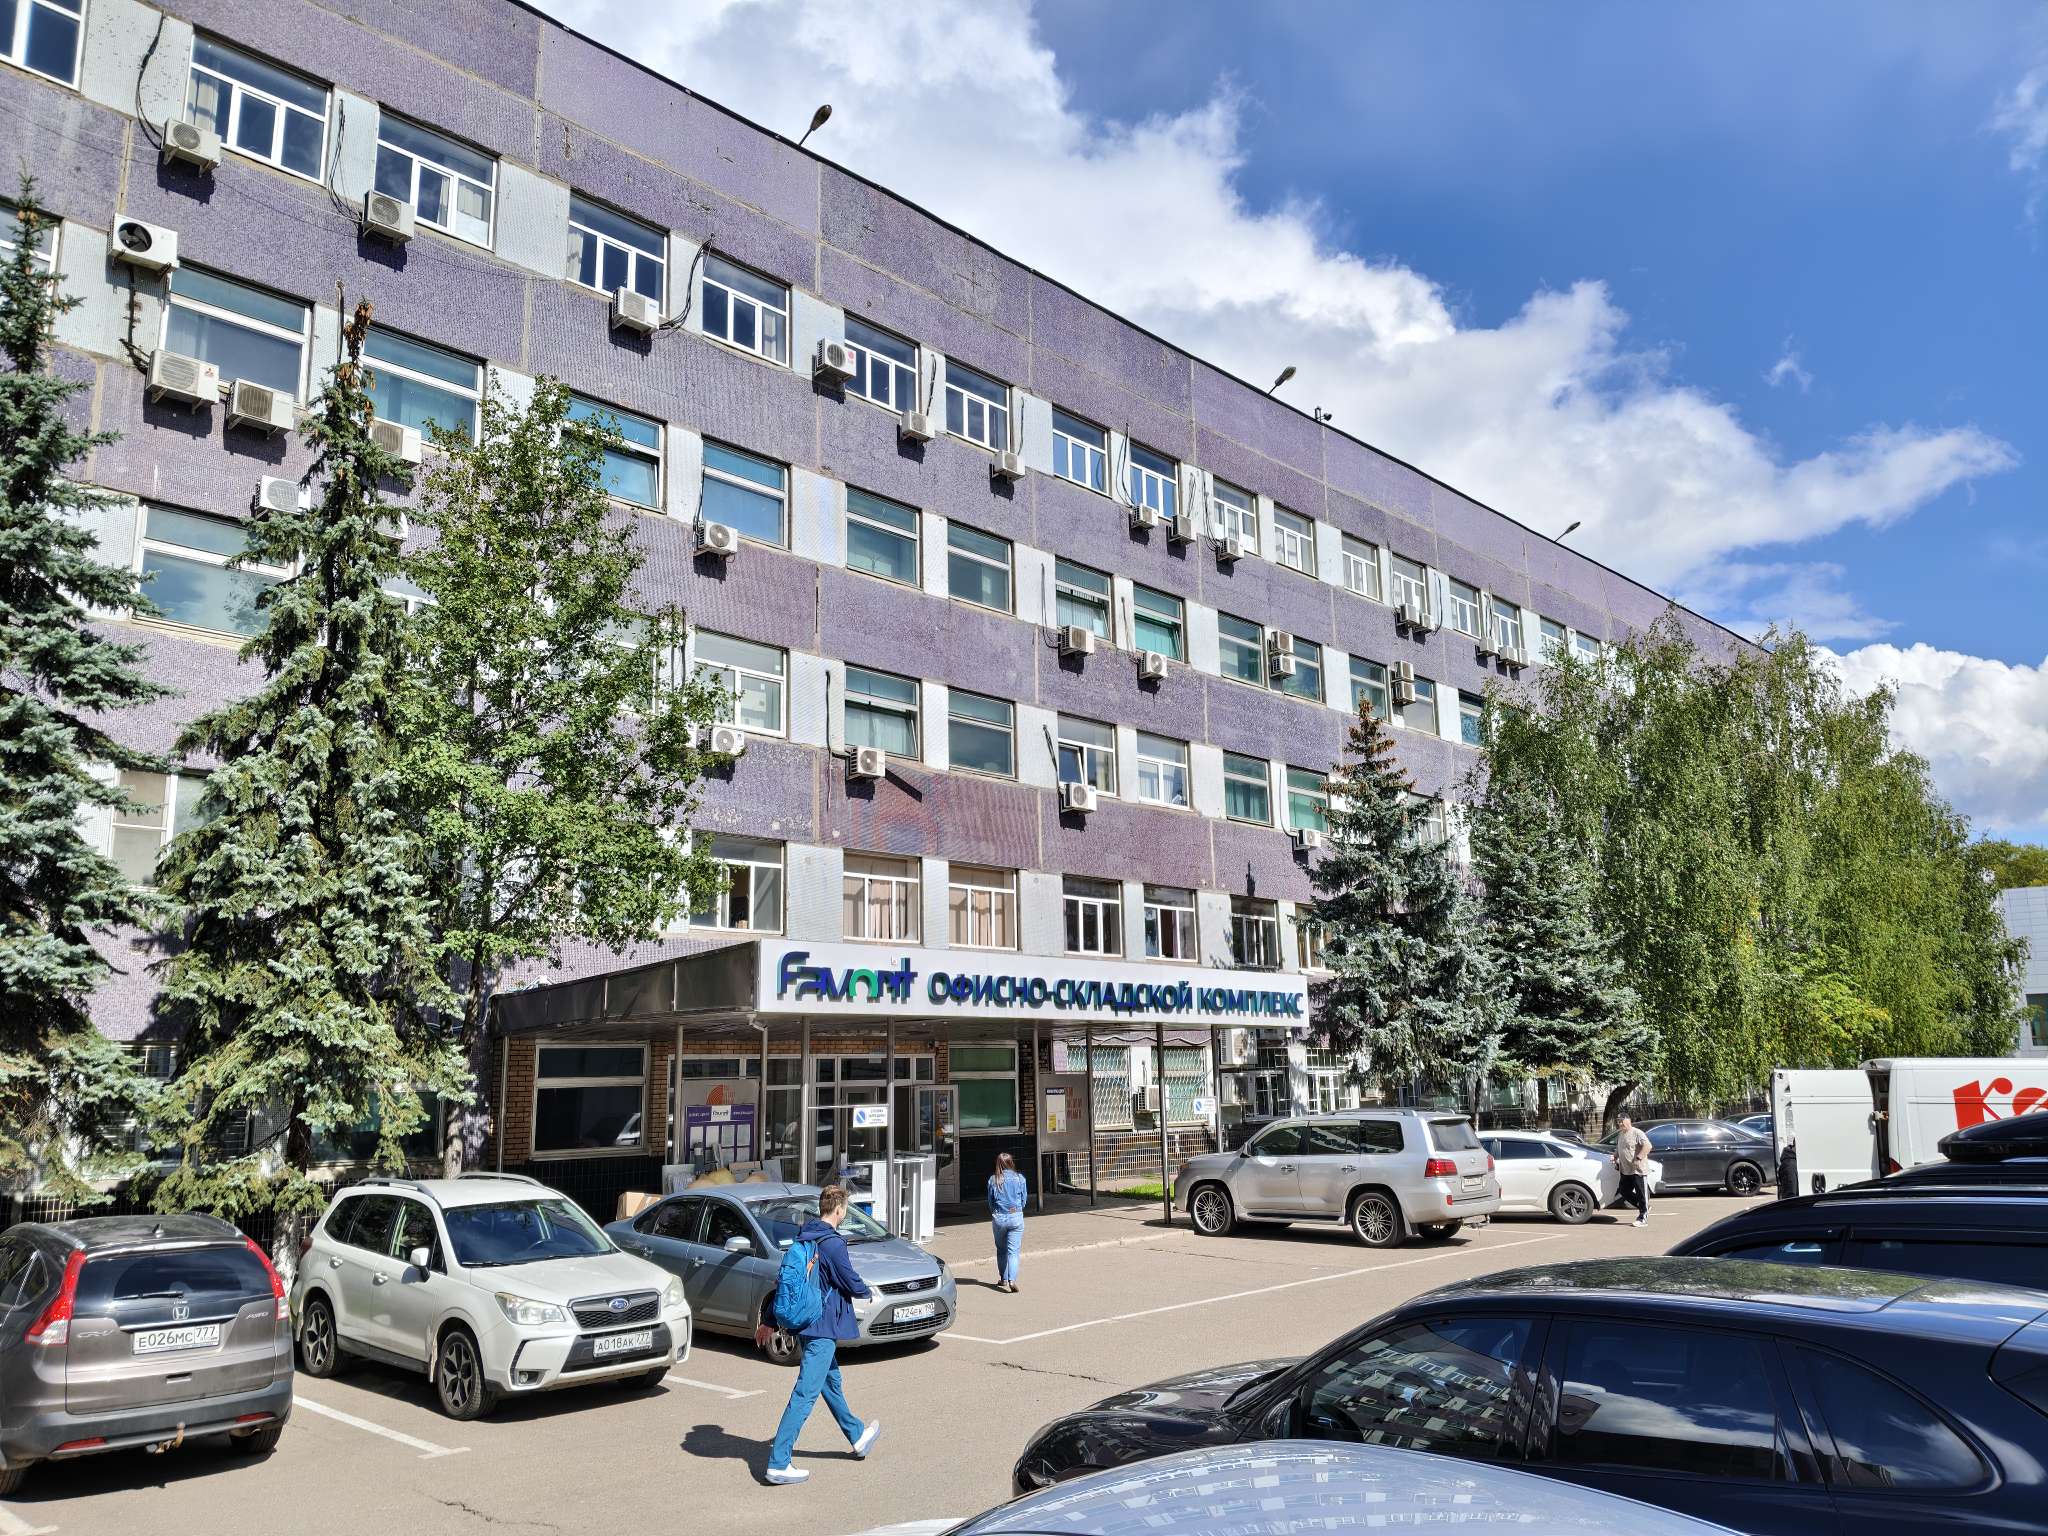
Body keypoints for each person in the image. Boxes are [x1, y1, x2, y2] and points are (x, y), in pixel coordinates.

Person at [765, 1185, 880, 1485]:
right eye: (845, 1209)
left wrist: (769, 1320)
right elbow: (848, 1278)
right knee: (805, 1393)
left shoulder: (805, 1236)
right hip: (822, 1327)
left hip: (806, 1324)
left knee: (831, 1382)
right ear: (840, 1210)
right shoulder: (833, 1243)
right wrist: (866, 1291)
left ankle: (857, 1435)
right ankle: (779, 1462)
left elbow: (786, 1282)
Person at [988, 1151, 1028, 1293]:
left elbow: (991, 1202)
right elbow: (1024, 1200)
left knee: (1001, 1250)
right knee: (1013, 1252)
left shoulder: (993, 1180)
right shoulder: (1020, 1178)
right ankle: (1012, 1280)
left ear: (998, 1163)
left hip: (999, 1217)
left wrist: (996, 1212)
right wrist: (1017, 1210)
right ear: (1011, 1163)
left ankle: (1003, 1279)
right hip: (1016, 1217)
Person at [1613, 1115, 1653, 1227]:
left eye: (1622, 1121)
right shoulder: (1621, 1134)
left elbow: (1648, 1146)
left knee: (1641, 1194)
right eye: (1618, 1122)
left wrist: (1639, 1158)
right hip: (1625, 1170)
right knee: (1623, 1191)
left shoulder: (1637, 1133)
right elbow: (1619, 1148)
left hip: (1638, 1170)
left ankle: (1642, 1218)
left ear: (1628, 1120)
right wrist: (1615, 1156)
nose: (1620, 1124)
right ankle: (1644, 1207)